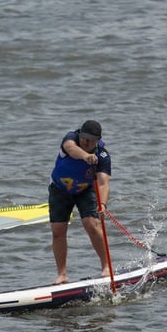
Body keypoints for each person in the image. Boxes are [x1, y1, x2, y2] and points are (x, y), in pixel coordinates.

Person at [48, 120, 112, 284]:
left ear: (97, 140)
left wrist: (102, 204)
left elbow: (103, 183)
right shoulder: (71, 138)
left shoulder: (102, 156)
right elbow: (71, 148)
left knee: (91, 224)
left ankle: (106, 267)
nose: (85, 141)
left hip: (85, 191)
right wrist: (86, 156)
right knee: (58, 231)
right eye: (83, 137)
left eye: (90, 140)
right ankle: (62, 274)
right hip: (59, 189)